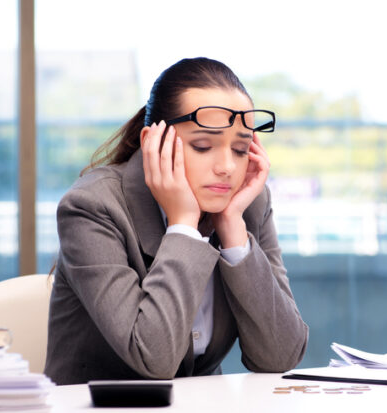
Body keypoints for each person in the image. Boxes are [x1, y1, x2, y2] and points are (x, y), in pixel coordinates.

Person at [44, 57, 308, 385]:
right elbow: (153, 359)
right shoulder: (93, 206)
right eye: (203, 146)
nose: (227, 167)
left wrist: (233, 232)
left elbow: (281, 356)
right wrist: (183, 225)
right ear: (153, 144)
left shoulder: (247, 205)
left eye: (240, 149)